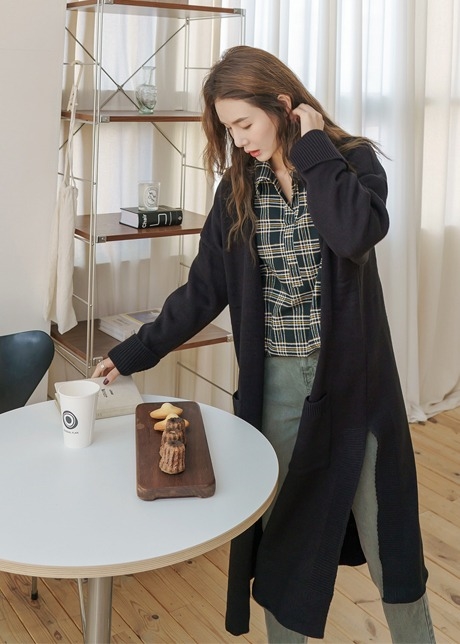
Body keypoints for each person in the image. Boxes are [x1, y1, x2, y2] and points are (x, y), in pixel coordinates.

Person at [94, 46, 435, 643]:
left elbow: (356, 233)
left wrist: (313, 147)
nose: (238, 139)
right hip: (275, 385)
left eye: (244, 123)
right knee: (283, 544)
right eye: (228, 128)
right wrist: (132, 353)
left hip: (356, 385)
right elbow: (203, 291)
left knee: (392, 542)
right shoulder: (237, 190)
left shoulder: (348, 161)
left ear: (282, 104)